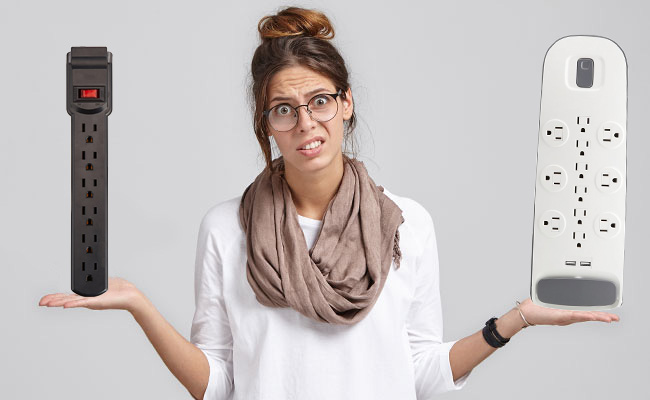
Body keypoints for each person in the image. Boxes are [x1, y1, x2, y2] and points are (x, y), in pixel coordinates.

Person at [39, 6, 620, 400]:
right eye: (283, 109)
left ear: (346, 105)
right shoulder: (225, 228)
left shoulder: (407, 223)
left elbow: (419, 372)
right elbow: (217, 384)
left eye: (319, 101)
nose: (305, 124)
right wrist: (141, 306)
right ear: (265, 124)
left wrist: (516, 320)